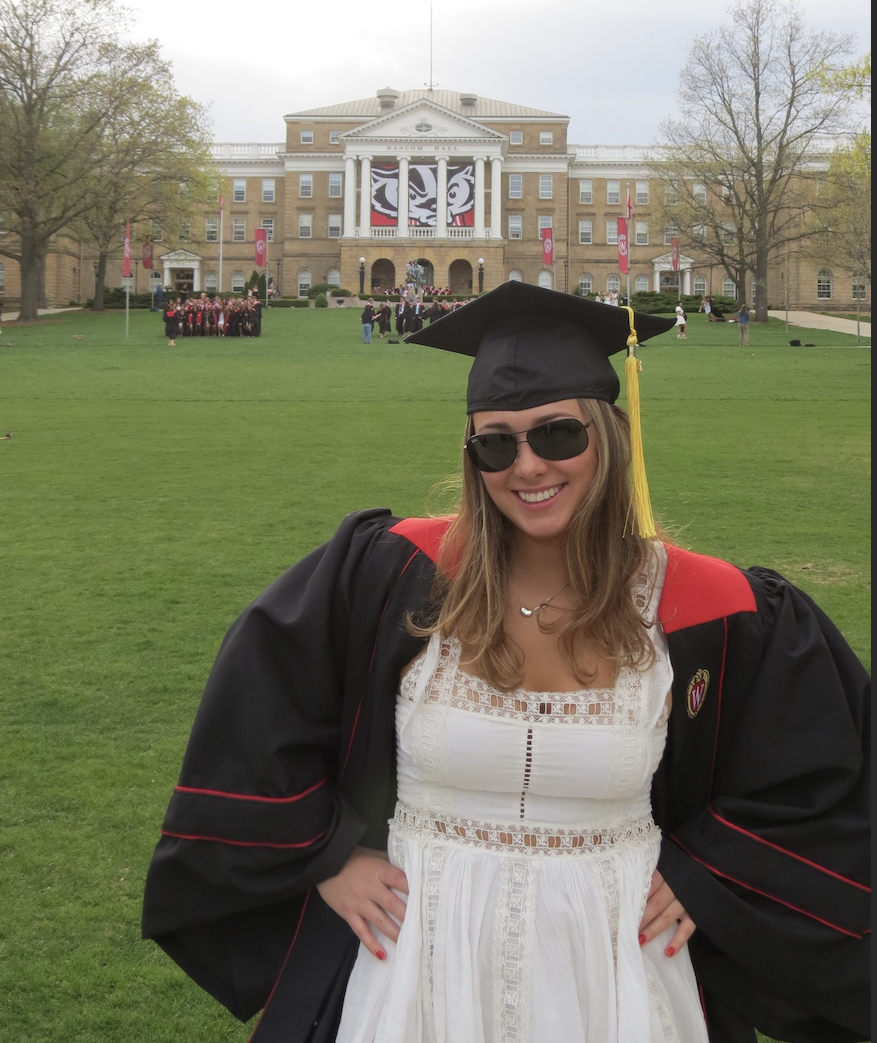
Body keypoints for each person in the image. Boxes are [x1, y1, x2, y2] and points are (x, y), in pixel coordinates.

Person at [142, 283, 869, 1043]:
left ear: (611, 435)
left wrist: (717, 870)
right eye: (496, 443)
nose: (528, 467)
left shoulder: (710, 608)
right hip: (418, 956)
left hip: (616, 964)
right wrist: (325, 856)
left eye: (558, 435)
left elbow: (821, 770)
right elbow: (258, 706)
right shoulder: (397, 575)